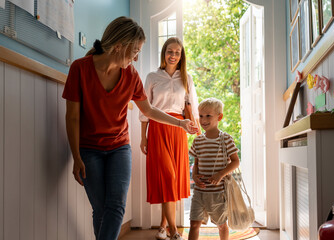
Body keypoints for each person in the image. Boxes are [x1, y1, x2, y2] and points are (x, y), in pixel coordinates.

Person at [62, 17, 198, 240]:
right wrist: (76, 156)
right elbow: (72, 117)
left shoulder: (131, 75)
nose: (136, 57)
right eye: (135, 51)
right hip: (89, 149)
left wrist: (181, 122)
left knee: (115, 206)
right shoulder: (80, 69)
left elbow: (150, 111)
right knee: (101, 209)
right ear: (119, 46)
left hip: (119, 147)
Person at [139, 37, 201, 240]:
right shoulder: (152, 77)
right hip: (157, 129)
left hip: (179, 131)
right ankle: (174, 231)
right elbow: (145, 109)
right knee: (168, 177)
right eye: (170, 51)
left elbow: (192, 105)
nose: (173, 55)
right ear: (163, 53)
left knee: (173, 182)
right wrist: (143, 137)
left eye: (177, 52)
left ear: (181, 55)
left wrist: (198, 132)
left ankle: (162, 227)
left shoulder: (187, 78)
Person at [188, 98, 240, 240]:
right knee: (194, 224)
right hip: (199, 191)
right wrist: (195, 176)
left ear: (220, 117)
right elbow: (196, 163)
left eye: (208, 116)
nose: (203, 120)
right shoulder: (198, 140)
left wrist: (220, 174)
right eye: (201, 116)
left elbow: (236, 162)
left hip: (218, 193)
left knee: (221, 225)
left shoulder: (226, 139)